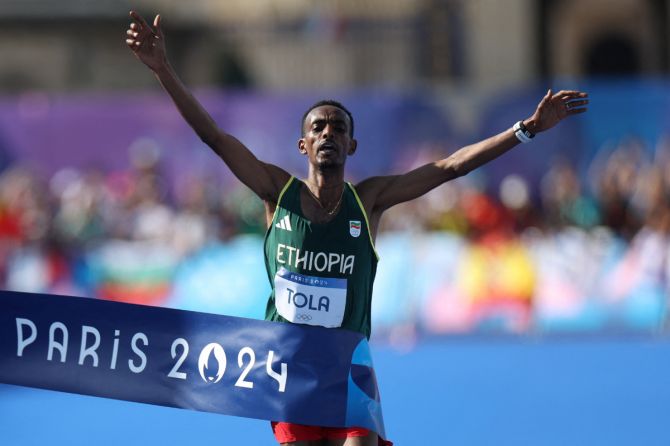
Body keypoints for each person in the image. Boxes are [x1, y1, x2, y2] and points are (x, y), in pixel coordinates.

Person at [124, 11, 588, 446]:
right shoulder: (276, 191)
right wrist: (163, 69)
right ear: (303, 144)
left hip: (349, 366)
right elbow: (214, 138)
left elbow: (450, 167)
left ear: (352, 143)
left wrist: (525, 128)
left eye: (338, 127)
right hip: (289, 369)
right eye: (319, 127)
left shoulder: (368, 200)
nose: (328, 133)